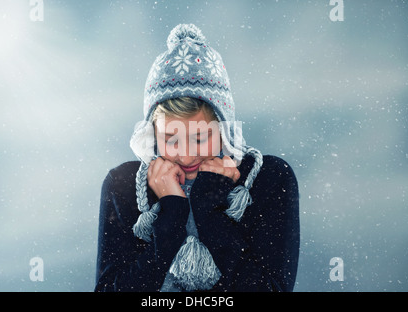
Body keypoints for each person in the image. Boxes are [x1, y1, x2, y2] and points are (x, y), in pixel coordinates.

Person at [95, 24, 299, 292]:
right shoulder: (123, 185)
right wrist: (171, 213)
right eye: (171, 138)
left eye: (201, 138)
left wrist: (208, 209)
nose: (187, 154)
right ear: (152, 131)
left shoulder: (269, 179)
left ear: (223, 127)